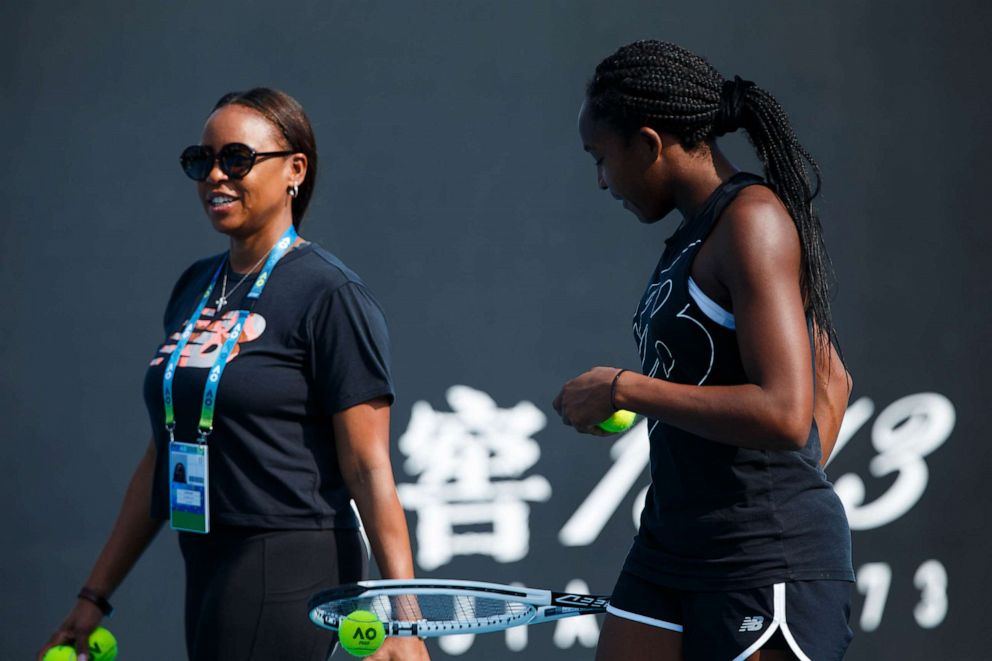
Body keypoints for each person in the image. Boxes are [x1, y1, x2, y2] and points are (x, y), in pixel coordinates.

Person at [40, 88, 429, 661]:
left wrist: (406, 619)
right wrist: (95, 596)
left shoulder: (330, 293)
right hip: (207, 558)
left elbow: (368, 467)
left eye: (237, 159)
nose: (215, 175)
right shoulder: (195, 285)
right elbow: (164, 454)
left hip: (291, 558)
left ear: (295, 169)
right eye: (202, 161)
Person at [553, 41, 855, 660]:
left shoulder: (754, 220)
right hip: (670, 546)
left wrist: (624, 388)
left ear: (648, 142)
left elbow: (789, 409)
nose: (601, 182)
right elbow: (829, 377)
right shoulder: (695, 234)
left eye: (602, 158)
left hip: (761, 561)